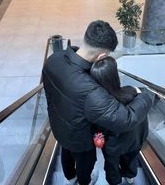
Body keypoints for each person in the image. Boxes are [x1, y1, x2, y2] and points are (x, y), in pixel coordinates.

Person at [42, 20, 153, 185]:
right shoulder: (92, 91)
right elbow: (126, 119)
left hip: (58, 127)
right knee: (84, 164)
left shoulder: (54, 59)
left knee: (66, 152)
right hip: (80, 139)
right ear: (102, 56)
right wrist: (145, 95)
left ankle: (70, 178)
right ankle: (83, 181)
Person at [90, 57, 149, 185]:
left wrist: (97, 138)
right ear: (115, 76)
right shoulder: (133, 91)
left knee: (112, 166)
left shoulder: (102, 106)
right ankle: (129, 175)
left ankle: (114, 181)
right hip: (134, 140)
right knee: (131, 159)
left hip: (113, 146)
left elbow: (99, 130)